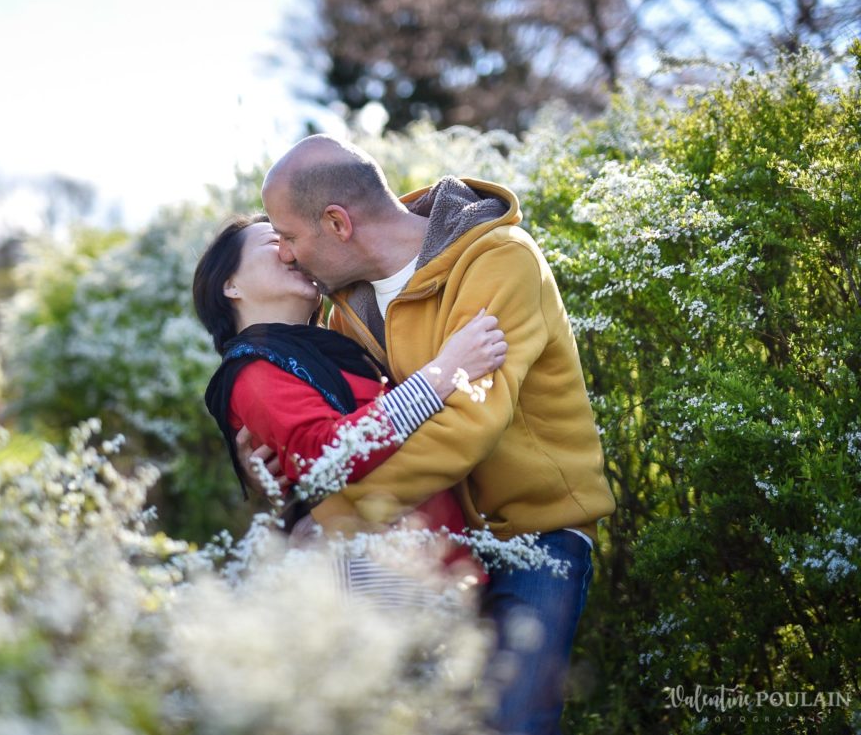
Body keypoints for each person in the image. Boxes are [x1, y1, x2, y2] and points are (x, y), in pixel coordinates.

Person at [248, 135, 617, 735]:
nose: (286, 255)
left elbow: (466, 426)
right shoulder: (342, 304)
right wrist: (265, 456)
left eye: (289, 236)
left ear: (337, 222)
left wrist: (338, 514)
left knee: (513, 723)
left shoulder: (498, 260)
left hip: (536, 534)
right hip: (431, 542)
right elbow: (347, 429)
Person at [192, 213, 507, 592]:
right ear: (230, 285)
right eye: (273, 243)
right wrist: (445, 372)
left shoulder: (338, 344)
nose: (291, 253)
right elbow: (327, 455)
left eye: (292, 241)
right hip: (378, 578)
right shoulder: (252, 369)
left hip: (442, 567)